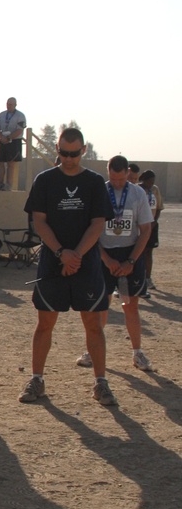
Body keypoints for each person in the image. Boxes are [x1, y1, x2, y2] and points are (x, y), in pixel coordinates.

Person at [18, 128, 117, 406]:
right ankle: (37, 379)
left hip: (86, 263)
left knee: (93, 324)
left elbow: (98, 223)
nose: (69, 158)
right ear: (57, 150)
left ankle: (101, 382)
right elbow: (40, 220)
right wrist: (62, 253)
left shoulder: (95, 182)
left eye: (74, 153)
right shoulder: (45, 180)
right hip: (53, 261)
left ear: (83, 150)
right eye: (64, 153)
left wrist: (76, 256)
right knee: (45, 322)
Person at [75, 156, 153, 372]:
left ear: (127, 173)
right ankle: (92, 351)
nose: (117, 183)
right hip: (103, 255)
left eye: (121, 179)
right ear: (107, 172)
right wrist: (106, 259)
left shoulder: (137, 194)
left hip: (130, 255)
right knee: (100, 305)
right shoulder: (100, 191)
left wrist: (131, 261)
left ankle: (137, 353)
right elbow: (92, 230)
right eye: (113, 178)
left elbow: (145, 230)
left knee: (130, 305)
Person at [138, 170, 163, 292]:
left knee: (148, 252)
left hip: (152, 225)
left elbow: (158, 208)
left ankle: (148, 278)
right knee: (138, 252)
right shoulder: (137, 190)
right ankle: (138, 278)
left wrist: (153, 222)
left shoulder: (155, 190)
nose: (151, 184)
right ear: (144, 180)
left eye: (153, 182)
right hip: (139, 227)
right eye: (149, 181)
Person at [0, 97, 26, 191]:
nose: (9, 106)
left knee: (11, 164)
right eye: (8, 104)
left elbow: (20, 130)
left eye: (11, 104)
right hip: (3, 140)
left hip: (14, 141)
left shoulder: (20, 115)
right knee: (0, 162)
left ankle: (9, 185)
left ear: (15, 105)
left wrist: (9, 137)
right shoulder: (2, 114)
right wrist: (1, 137)